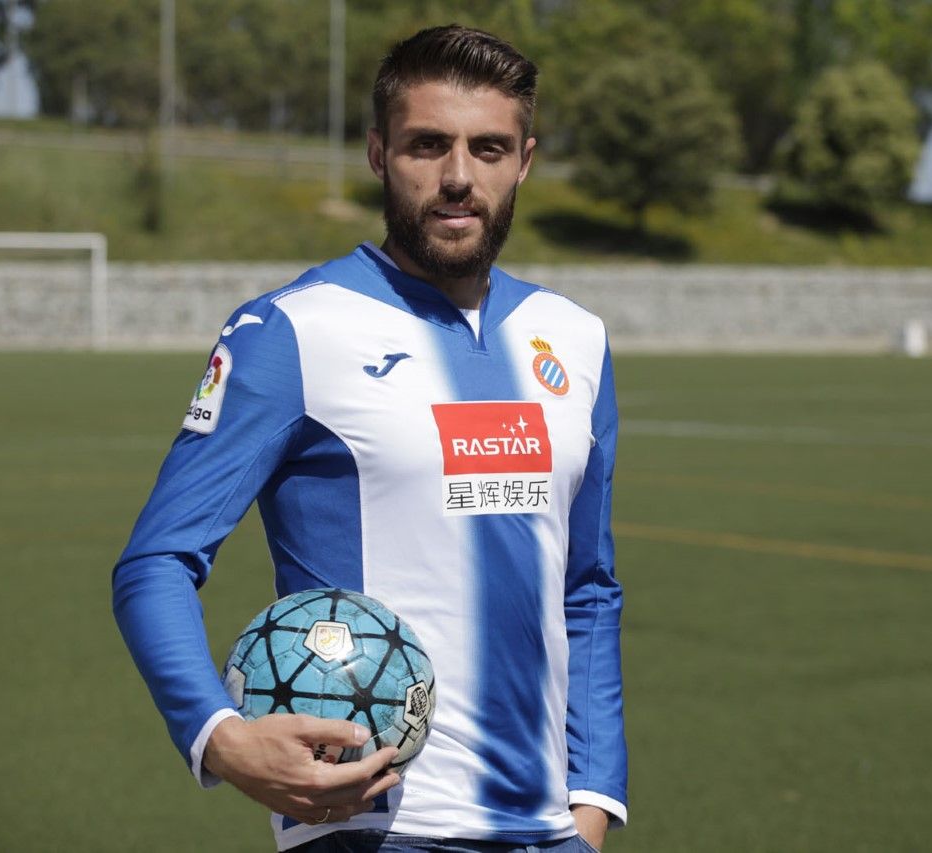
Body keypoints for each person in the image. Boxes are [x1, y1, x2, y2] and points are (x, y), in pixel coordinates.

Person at [112, 24, 626, 853]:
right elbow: (155, 562)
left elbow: (589, 589)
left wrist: (593, 803)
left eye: (487, 149)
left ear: (524, 161)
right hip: (369, 828)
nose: (459, 177)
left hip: (548, 832)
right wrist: (220, 735)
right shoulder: (289, 331)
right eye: (429, 145)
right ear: (379, 152)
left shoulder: (575, 338)